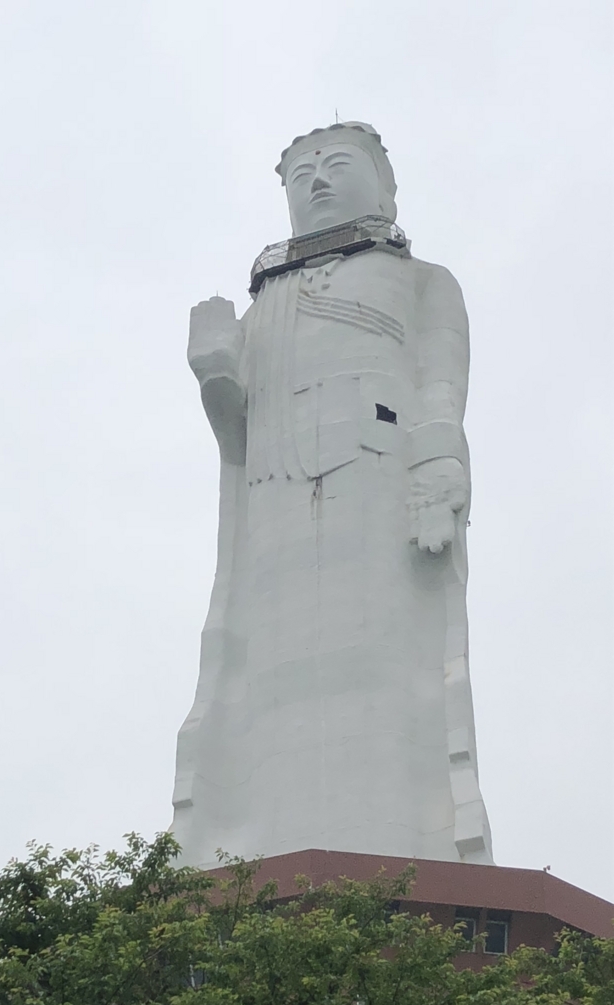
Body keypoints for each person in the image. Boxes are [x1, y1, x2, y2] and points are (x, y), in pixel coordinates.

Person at [171, 122, 493, 867]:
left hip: (375, 492)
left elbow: (442, 387)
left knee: (386, 669)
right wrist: (217, 374)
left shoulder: (421, 282)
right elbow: (237, 434)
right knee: (262, 684)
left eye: (337, 166)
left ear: (383, 185)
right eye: (299, 176)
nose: (315, 183)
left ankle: (389, 855)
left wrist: (437, 466)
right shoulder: (262, 311)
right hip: (276, 502)